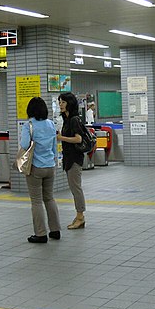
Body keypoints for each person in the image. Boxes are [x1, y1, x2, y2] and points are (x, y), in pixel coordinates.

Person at [20, 97, 60, 243]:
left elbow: (24, 145)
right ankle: (55, 230)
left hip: (35, 168)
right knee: (49, 198)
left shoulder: (28, 125)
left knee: (36, 201)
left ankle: (41, 233)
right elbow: (54, 146)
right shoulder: (50, 124)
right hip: (50, 166)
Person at [57, 92, 86, 229]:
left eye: (63, 102)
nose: (60, 105)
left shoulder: (74, 119)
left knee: (76, 188)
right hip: (68, 157)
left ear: (69, 103)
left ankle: (80, 217)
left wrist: (61, 138)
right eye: (59, 102)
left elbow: (78, 139)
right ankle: (79, 216)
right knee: (74, 188)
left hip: (74, 158)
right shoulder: (66, 119)